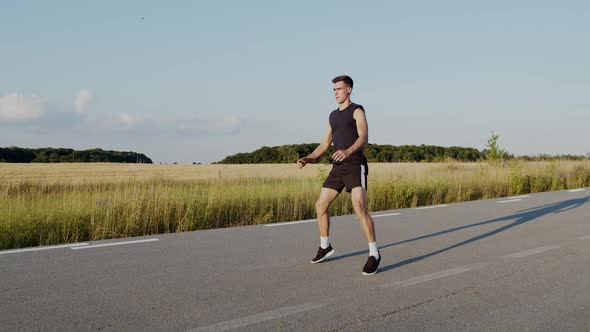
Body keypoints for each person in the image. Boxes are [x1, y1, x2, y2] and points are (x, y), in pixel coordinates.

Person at [297, 75, 380, 275]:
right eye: (333, 90)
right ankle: (325, 246)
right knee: (320, 205)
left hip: (354, 164)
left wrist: (348, 151)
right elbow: (325, 144)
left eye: (339, 89)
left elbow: (364, 136)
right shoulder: (333, 116)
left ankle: (374, 254)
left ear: (349, 90)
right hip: (337, 167)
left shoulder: (357, 110)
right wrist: (308, 158)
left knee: (358, 207)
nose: (336, 93)